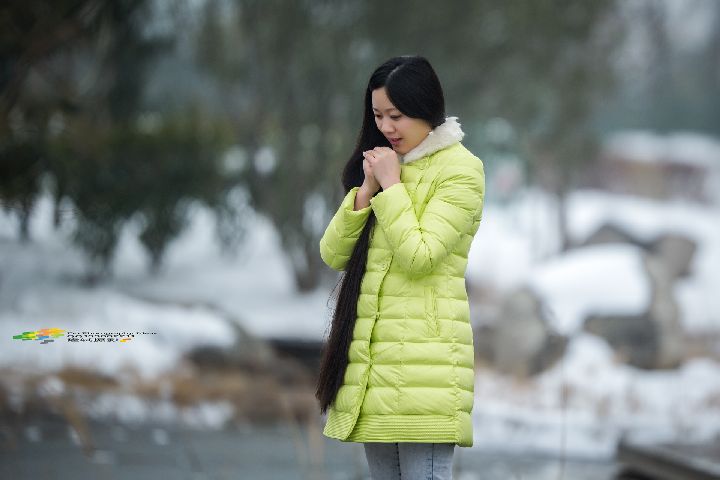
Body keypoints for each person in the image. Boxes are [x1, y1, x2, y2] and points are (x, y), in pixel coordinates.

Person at [315, 55, 485, 480]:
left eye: (397, 115)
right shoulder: (384, 166)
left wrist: (391, 186)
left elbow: (420, 255)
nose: (387, 127)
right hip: (374, 369)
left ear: (427, 109)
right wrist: (366, 191)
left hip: (424, 374)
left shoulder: (461, 170)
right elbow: (333, 255)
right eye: (377, 115)